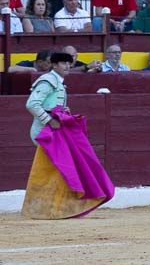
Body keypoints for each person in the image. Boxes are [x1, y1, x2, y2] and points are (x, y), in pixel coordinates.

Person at [21, 49, 112, 219]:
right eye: (63, 63)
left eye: (69, 63)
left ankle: (50, 207)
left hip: (53, 132)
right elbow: (32, 104)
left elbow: (49, 104)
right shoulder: (48, 80)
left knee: (56, 171)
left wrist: (63, 111)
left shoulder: (58, 82)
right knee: (57, 170)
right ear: (54, 65)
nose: (67, 66)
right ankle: (45, 208)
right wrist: (50, 120)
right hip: (45, 133)